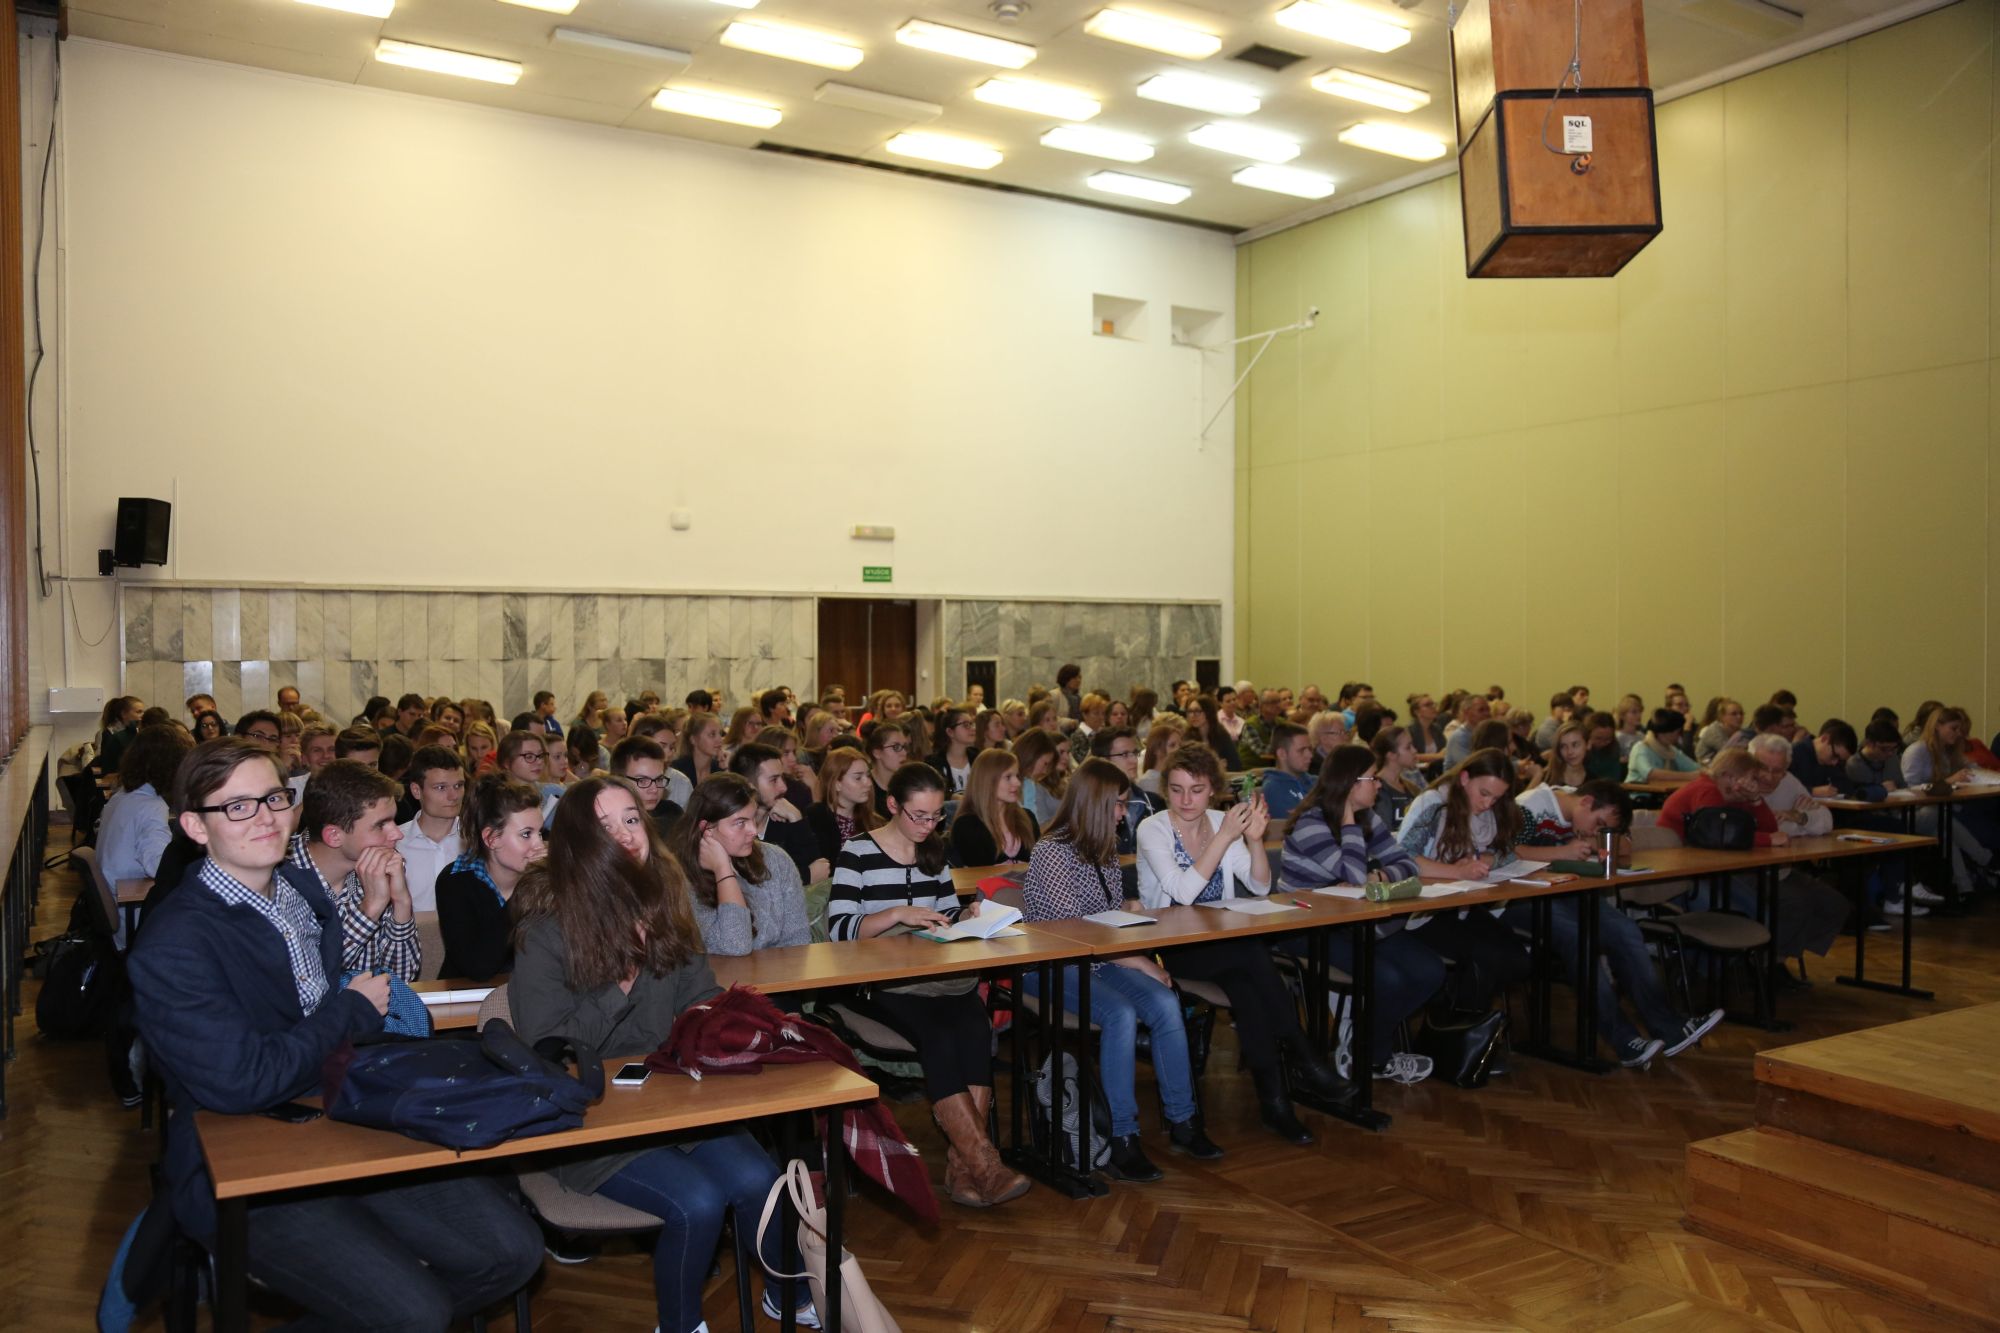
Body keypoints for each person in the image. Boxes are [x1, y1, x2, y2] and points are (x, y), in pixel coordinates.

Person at [129, 738, 541, 1328]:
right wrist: (349, 1011)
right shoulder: (175, 942)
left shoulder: (298, 896)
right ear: (196, 826)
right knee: (414, 1313)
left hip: (344, 1114)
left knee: (513, 1253)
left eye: (274, 798)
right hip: (248, 1161)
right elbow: (242, 1082)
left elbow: (374, 987)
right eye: (238, 807)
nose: (265, 817)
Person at [509, 777, 817, 1330]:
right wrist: (623, 979)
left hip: (670, 1095)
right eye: (605, 827)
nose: (626, 835)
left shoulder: (663, 902)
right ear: (578, 843)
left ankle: (787, 1295)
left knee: (761, 1181)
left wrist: (741, 1028)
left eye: (631, 820)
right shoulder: (546, 928)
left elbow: (698, 997)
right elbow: (547, 1047)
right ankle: (679, 1325)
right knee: (697, 1203)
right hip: (589, 1115)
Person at [828, 763, 1029, 1209]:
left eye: (936, 816)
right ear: (892, 805)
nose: (928, 826)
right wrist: (896, 914)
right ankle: (985, 1166)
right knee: (937, 1035)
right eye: (918, 816)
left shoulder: (934, 851)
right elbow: (838, 930)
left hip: (935, 979)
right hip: (876, 983)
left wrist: (967, 916)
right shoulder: (857, 851)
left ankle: (967, 1169)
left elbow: (944, 915)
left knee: (976, 1027)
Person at [1132, 745, 1346, 1144]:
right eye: (1176, 790)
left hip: (1224, 943)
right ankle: (1304, 1059)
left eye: (1196, 790)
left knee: (1247, 988)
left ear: (1213, 789)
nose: (1186, 800)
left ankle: (1276, 1104)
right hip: (1172, 945)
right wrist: (1226, 836)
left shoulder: (1220, 821)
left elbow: (1261, 885)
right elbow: (1183, 893)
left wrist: (1254, 841)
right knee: (1251, 954)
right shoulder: (1153, 828)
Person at [1023, 759, 1222, 1180]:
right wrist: (1139, 961)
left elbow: (1107, 916)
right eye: (1117, 804)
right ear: (1095, 804)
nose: (1122, 813)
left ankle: (1183, 1120)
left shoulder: (1103, 847)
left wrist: (1130, 916)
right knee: (1121, 1014)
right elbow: (1074, 933)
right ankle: (1121, 1135)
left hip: (1099, 959)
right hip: (1053, 964)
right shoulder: (1051, 851)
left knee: (1165, 1003)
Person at [1510, 779, 1723, 1065]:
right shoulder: (1529, 806)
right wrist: (1562, 852)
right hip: (1518, 897)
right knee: (1578, 938)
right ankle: (1624, 1040)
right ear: (1586, 802)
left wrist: (1592, 845)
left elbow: (1621, 845)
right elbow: (1509, 852)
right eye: (1598, 824)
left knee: (1625, 930)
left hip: (1563, 891)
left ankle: (1670, 1028)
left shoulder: (1580, 808)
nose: (1595, 831)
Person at [1279, 745, 1449, 1083]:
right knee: (1387, 978)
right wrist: (1348, 823)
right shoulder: (1310, 822)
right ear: (1350, 783)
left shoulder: (1368, 817)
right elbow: (1356, 876)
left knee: (1430, 970)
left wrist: (1380, 875)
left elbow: (1407, 864)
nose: (1379, 784)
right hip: (1306, 927)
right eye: (1372, 778)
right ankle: (1375, 1056)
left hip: (1356, 922)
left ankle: (1362, 1042)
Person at [1395, 750, 1535, 1016]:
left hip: (1462, 905)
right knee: (1488, 958)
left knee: (1518, 961)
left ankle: (1455, 1018)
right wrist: (1456, 871)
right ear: (1464, 778)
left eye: (1496, 798)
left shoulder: (1491, 814)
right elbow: (1403, 857)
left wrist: (1485, 859)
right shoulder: (1434, 804)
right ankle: (1456, 1026)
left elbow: (1509, 852)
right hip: (1422, 910)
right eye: (1484, 793)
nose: (1488, 804)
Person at [288, 758, 424, 981]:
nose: (397, 834)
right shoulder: (280, 881)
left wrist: (401, 902)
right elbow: (308, 981)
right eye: (381, 825)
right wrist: (370, 908)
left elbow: (402, 977)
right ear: (334, 836)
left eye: (393, 821)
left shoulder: (374, 869)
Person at [674, 773, 813, 955]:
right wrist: (723, 870)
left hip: (780, 972)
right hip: (719, 974)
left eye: (753, 818)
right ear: (706, 828)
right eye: (740, 822)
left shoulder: (776, 859)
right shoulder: (680, 877)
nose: (753, 831)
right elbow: (736, 945)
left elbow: (798, 941)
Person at [435, 775, 545, 980]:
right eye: (526, 834)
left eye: (540, 833)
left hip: (531, 991)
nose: (539, 845)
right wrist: (525, 890)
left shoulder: (548, 880)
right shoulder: (455, 882)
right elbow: (478, 967)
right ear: (492, 839)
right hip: (466, 993)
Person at [98, 724, 193, 944]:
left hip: (116, 913)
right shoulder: (151, 807)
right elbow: (159, 867)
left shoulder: (122, 796)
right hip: (135, 921)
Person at [726, 741, 827, 883]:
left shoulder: (785, 818)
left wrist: (797, 820)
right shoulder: (731, 826)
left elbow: (819, 869)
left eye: (782, 778)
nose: (783, 787)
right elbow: (749, 883)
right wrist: (805, 877)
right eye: (774, 780)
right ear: (748, 785)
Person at [397, 745, 466, 913]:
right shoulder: (395, 843)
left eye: (458, 786)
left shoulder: (478, 840)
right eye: (441, 787)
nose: (453, 796)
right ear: (416, 790)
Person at [946, 748, 1038, 867]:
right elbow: (975, 873)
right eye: (1008, 777)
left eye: (1017, 776)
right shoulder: (967, 825)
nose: (1017, 783)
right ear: (987, 781)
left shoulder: (1028, 818)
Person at [807, 746, 882, 866]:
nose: (868, 783)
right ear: (837, 784)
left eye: (868, 776)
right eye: (858, 778)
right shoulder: (815, 819)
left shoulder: (875, 822)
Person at [609, 735, 686, 837]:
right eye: (642, 781)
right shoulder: (606, 825)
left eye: (659, 779)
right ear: (619, 780)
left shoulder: (672, 814)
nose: (654, 790)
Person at [1367, 725, 1424, 829]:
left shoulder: (1410, 787)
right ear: (1391, 755)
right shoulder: (1378, 790)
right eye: (1408, 747)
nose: (1414, 750)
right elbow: (1384, 832)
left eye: (1413, 745)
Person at [1627, 709, 1701, 785]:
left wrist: (1702, 772)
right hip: (1638, 791)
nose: (1678, 736)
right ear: (1666, 732)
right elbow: (1651, 774)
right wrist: (1689, 776)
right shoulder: (1641, 748)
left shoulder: (1671, 751)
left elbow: (1694, 768)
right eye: (1677, 732)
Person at [1009, 727, 1064, 827]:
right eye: (1045, 764)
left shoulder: (1029, 784)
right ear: (1032, 755)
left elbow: (1034, 825)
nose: (1045, 771)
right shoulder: (1001, 779)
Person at [1258, 722, 1314, 820]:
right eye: (1302, 750)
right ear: (1282, 754)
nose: (1310, 755)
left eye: (1310, 749)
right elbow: (1300, 824)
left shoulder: (1316, 781)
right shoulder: (1274, 790)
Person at [1183, 694, 1242, 771]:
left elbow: (1236, 764)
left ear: (1208, 712)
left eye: (1197, 711)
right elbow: (1188, 767)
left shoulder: (1220, 733)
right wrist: (1216, 767)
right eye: (1190, 711)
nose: (1193, 715)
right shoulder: (1187, 737)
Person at [927, 707, 978, 796]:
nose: (973, 728)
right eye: (966, 725)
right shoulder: (934, 763)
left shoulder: (978, 757)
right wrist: (951, 798)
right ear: (950, 732)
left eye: (972, 724)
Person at [672, 709, 724, 789]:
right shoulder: (677, 769)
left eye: (720, 733)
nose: (720, 739)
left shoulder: (721, 769)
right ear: (693, 739)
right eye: (712, 734)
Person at [1136, 719, 1185, 798]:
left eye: (1180, 745)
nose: (1178, 749)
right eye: (1172, 745)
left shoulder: (1176, 777)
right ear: (1157, 750)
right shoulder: (1149, 782)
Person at [1237, 689, 1287, 767]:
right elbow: (1260, 750)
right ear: (1262, 705)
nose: (1278, 705)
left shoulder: (1282, 722)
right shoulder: (1251, 724)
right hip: (1250, 769)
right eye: (1273, 702)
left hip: (1273, 768)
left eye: (1279, 701)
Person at [1441, 693, 1492, 767]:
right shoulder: (1459, 737)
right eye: (1481, 710)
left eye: (1488, 709)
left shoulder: (1487, 734)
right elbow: (1469, 765)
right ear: (1466, 713)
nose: (1487, 713)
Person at [1695, 698, 1747, 763]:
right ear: (1722, 716)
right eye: (1734, 714)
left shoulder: (1739, 730)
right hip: (1705, 765)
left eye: (1741, 713)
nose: (1739, 717)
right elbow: (1729, 752)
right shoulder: (1714, 731)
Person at [1543, 721, 1591, 789]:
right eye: (1563, 746)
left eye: (1575, 745)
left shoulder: (1593, 782)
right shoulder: (1546, 778)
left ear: (1588, 744)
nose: (1570, 752)